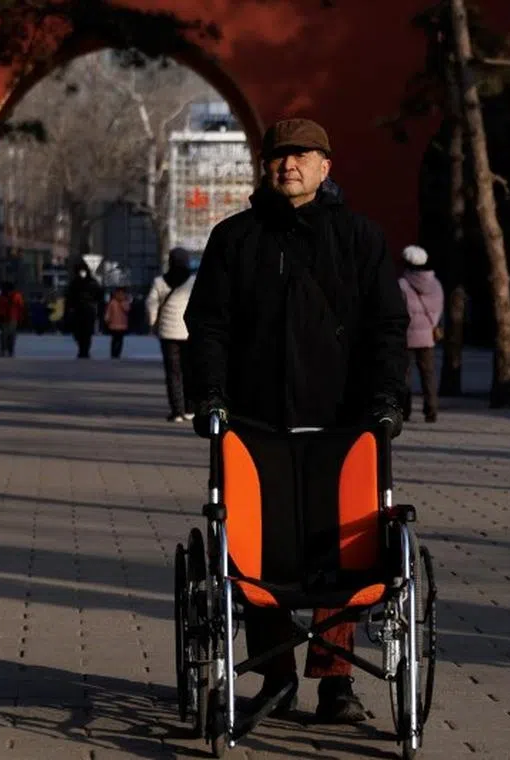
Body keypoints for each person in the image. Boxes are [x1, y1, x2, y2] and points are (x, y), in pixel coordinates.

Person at [185, 118, 409, 723]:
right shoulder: (235, 239)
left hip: (342, 423)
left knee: (344, 552)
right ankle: (275, 678)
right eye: (280, 155)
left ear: (326, 165)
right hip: (256, 424)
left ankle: (337, 684)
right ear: (266, 165)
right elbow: (207, 325)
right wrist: (208, 396)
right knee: (258, 551)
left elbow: (388, 327)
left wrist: (388, 398)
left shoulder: (361, 239)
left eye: (303, 155)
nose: (290, 164)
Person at [148, 248, 197, 422]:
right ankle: (191, 409)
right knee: (189, 371)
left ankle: (177, 411)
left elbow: (151, 304)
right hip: (188, 332)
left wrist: (153, 323)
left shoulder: (160, 282)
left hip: (168, 333)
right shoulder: (193, 282)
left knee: (173, 372)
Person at [398, 245, 444, 423]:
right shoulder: (436, 284)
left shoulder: (402, 284)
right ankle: (431, 410)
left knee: (404, 375)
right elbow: (439, 309)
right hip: (428, 337)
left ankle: (405, 410)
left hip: (407, 336)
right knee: (429, 375)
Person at [64, 260, 102, 358]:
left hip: (87, 310)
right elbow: (68, 298)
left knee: (86, 332)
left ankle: (84, 350)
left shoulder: (91, 282)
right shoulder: (75, 283)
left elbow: (99, 295)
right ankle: (83, 349)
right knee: (79, 332)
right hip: (79, 310)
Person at [0, 281, 25, 357]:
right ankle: (10, 350)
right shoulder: (17, 296)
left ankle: (3, 350)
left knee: (3, 335)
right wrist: (21, 318)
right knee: (11, 335)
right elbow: (21, 307)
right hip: (13, 318)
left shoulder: (1, 296)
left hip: (3, 318)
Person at [104, 287, 131, 359]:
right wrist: (107, 319)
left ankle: (116, 353)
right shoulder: (113, 302)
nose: (120, 295)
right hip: (114, 324)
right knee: (115, 339)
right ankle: (114, 353)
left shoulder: (124, 302)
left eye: (122, 293)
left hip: (121, 325)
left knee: (119, 340)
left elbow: (127, 310)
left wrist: (122, 302)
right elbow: (109, 312)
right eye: (118, 293)